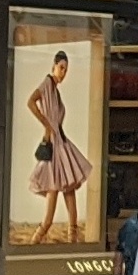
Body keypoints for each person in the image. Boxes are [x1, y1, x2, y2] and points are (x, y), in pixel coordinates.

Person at [27, 50, 91, 244]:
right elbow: (30, 102)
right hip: (55, 146)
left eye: (66, 69)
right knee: (54, 196)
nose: (63, 72)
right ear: (53, 66)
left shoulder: (54, 89)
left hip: (61, 143)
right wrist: (46, 124)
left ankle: (73, 237)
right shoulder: (47, 83)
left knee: (69, 189)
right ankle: (37, 239)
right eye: (61, 68)